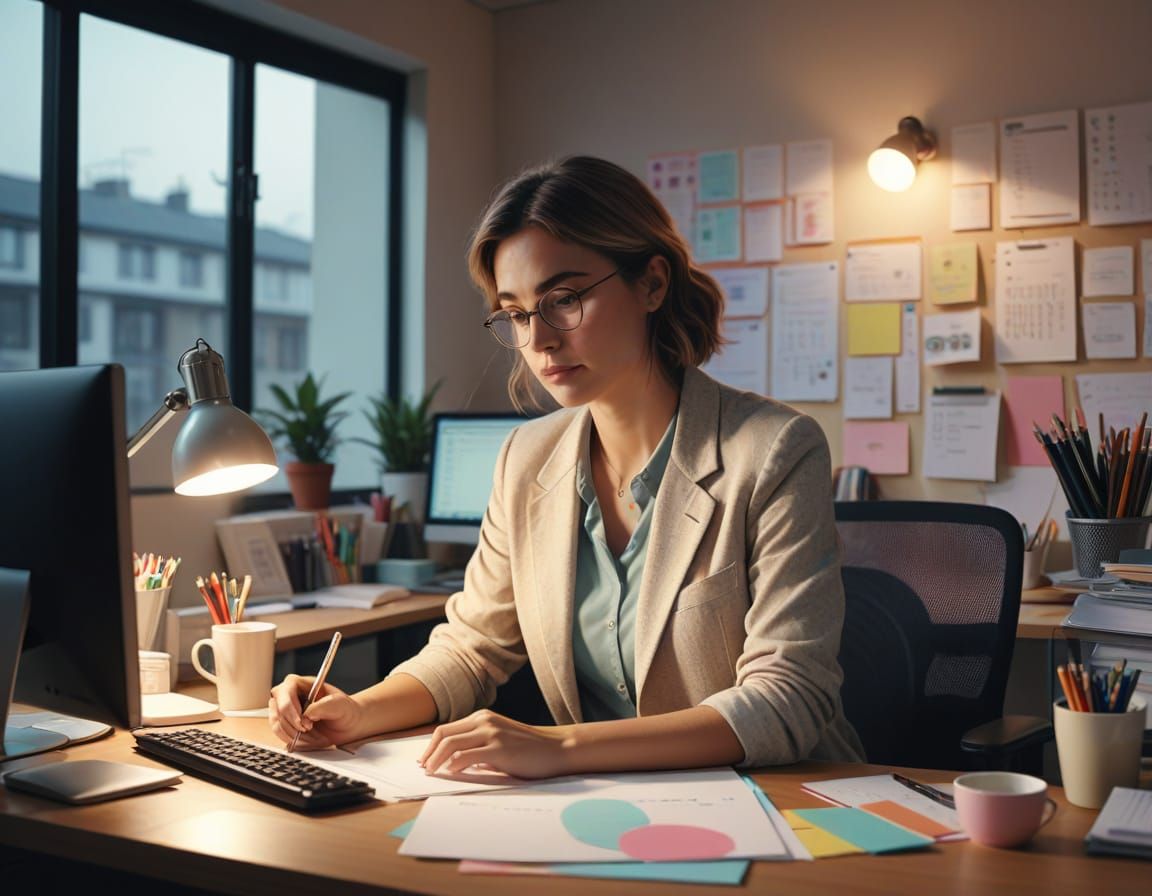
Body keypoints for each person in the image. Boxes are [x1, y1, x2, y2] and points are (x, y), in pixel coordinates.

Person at [269, 155, 864, 777]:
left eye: (565, 299)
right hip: (606, 805)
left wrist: (559, 748)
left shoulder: (774, 450)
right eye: (518, 314)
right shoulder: (526, 459)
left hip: (781, 799)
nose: (541, 339)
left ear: (652, 284)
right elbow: (471, 649)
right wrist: (358, 711)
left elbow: (788, 698)